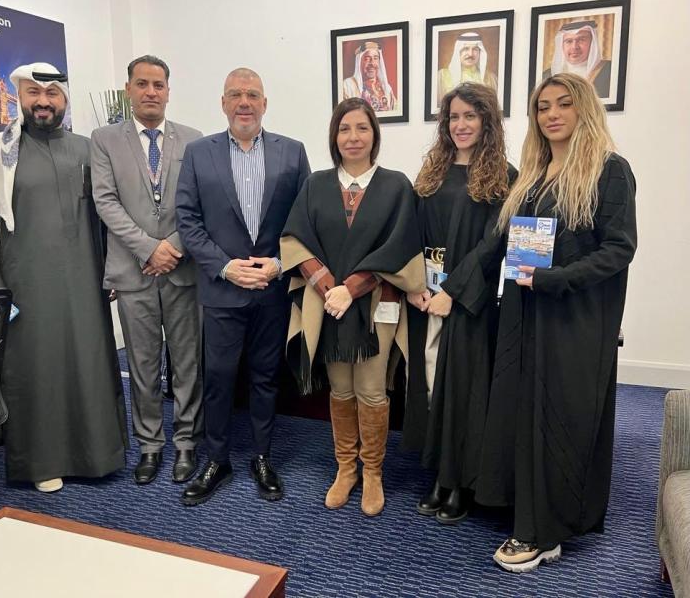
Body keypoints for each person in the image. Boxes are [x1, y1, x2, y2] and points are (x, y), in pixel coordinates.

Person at [476, 73, 637, 572]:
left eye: (564, 104)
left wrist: (556, 279)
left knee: (561, 418)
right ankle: (525, 507)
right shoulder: (534, 174)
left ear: (584, 108)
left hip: (573, 317)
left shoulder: (609, 170)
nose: (552, 114)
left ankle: (546, 531)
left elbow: (619, 249)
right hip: (525, 312)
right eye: (542, 106)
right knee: (524, 411)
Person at [0, 62, 127, 492]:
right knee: (36, 370)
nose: (42, 102)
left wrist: (113, 270)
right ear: (19, 97)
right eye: (33, 93)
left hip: (85, 280)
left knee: (89, 362)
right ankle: (41, 462)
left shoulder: (87, 150)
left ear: (64, 99)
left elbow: (108, 217)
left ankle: (98, 455)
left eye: (51, 94)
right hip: (26, 283)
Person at [281, 98, 426, 516]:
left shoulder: (396, 186)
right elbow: (295, 240)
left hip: (376, 306)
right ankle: (346, 469)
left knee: (372, 390)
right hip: (329, 306)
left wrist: (353, 288)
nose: (353, 137)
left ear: (374, 135)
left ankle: (373, 472)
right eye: (345, 129)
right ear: (334, 137)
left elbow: (401, 247)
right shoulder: (316, 185)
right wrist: (330, 288)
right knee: (340, 389)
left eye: (362, 128)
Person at [175, 68, 310, 506]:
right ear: (223, 103)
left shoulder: (293, 153)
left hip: (272, 289)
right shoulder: (199, 153)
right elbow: (187, 220)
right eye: (235, 94)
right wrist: (225, 267)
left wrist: (278, 264)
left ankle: (262, 458)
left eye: (252, 94)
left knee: (266, 377)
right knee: (217, 378)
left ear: (265, 103)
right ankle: (217, 460)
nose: (244, 102)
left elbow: (306, 220)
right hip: (222, 290)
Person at [401, 83, 516, 524]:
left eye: (471, 116)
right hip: (427, 295)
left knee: (465, 390)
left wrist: (453, 291)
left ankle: (460, 482)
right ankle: (438, 473)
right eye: (453, 116)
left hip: (469, 300)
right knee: (431, 384)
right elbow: (412, 229)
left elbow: (493, 244)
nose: (461, 124)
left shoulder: (504, 176)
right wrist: (416, 284)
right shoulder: (434, 170)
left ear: (487, 121)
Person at [91, 55, 203, 486]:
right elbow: (105, 201)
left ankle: (187, 442)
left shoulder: (193, 140)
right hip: (133, 271)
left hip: (181, 269)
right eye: (142, 84)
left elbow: (197, 204)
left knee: (187, 362)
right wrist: (148, 249)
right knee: (142, 364)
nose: (151, 92)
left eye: (158, 85)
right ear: (129, 90)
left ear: (169, 91)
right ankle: (151, 445)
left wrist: (171, 247)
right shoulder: (104, 139)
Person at [542, 20, 612, 98]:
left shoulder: (610, 70)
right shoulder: (547, 76)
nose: (574, 47)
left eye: (581, 40)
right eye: (569, 41)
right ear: (562, 45)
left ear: (592, 43)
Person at [437, 32, 498, 104]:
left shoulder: (491, 78)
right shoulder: (442, 76)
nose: (470, 54)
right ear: (458, 52)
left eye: (475, 49)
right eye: (466, 49)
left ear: (480, 52)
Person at [342, 41, 398, 112]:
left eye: (375, 58)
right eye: (367, 59)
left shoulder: (386, 88)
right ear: (359, 63)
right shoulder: (347, 86)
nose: (372, 63)